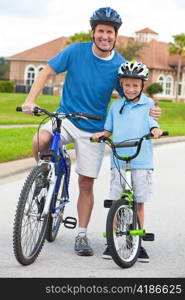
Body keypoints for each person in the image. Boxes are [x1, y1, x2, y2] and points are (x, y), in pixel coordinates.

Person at [21, 7, 161, 257]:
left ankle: (82, 234)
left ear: (115, 35)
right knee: (40, 139)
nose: (105, 36)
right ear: (93, 32)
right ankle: (44, 179)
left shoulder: (119, 64)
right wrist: (31, 100)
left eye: (110, 32)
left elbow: (132, 90)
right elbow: (47, 72)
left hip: (94, 127)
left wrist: (151, 109)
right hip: (66, 116)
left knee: (86, 183)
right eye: (101, 31)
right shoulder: (75, 51)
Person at [91, 60, 163, 262]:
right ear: (121, 85)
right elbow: (109, 129)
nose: (131, 89)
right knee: (116, 199)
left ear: (142, 86)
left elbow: (152, 123)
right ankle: (112, 242)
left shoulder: (148, 104)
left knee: (139, 200)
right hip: (118, 157)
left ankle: (137, 243)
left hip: (141, 157)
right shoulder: (116, 106)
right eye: (127, 85)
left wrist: (156, 130)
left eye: (135, 85)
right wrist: (101, 134)